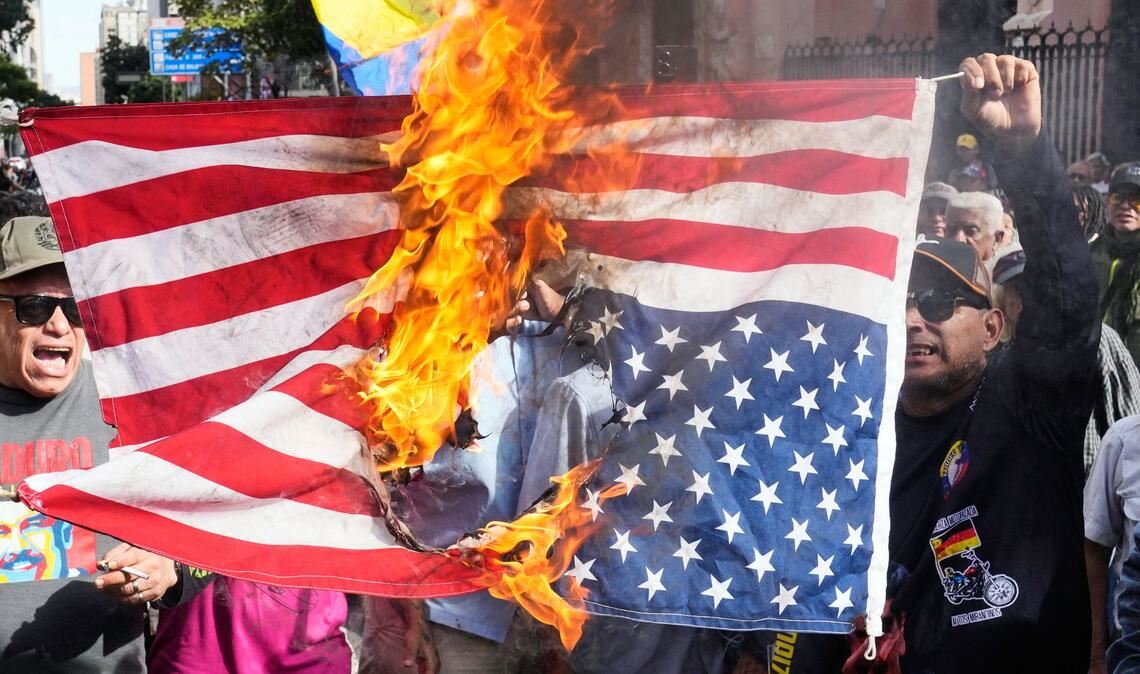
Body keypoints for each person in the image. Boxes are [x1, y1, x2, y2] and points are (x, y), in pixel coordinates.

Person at [889, 54, 1098, 672]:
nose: (911, 321)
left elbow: (1068, 296)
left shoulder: (1028, 402)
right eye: (899, 302)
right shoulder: (855, 423)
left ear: (992, 327)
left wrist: (1024, 152)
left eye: (936, 302)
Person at [0, 215, 184, 671]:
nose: (60, 326)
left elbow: (200, 537)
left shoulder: (131, 401)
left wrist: (169, 570)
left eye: (77, 306)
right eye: (36, 306)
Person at [1097, 163, 1140, 366]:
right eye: (1117, 197)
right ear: (1107, 202)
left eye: (1136, 199)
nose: (1125, 206)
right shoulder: (1090, 251)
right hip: (1093, 370)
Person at [943, 190, 1006, 265]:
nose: (958, 239)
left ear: (996, 239)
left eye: (971, 231)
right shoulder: (933, 270)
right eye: (951, 229)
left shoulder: (1010, 273)